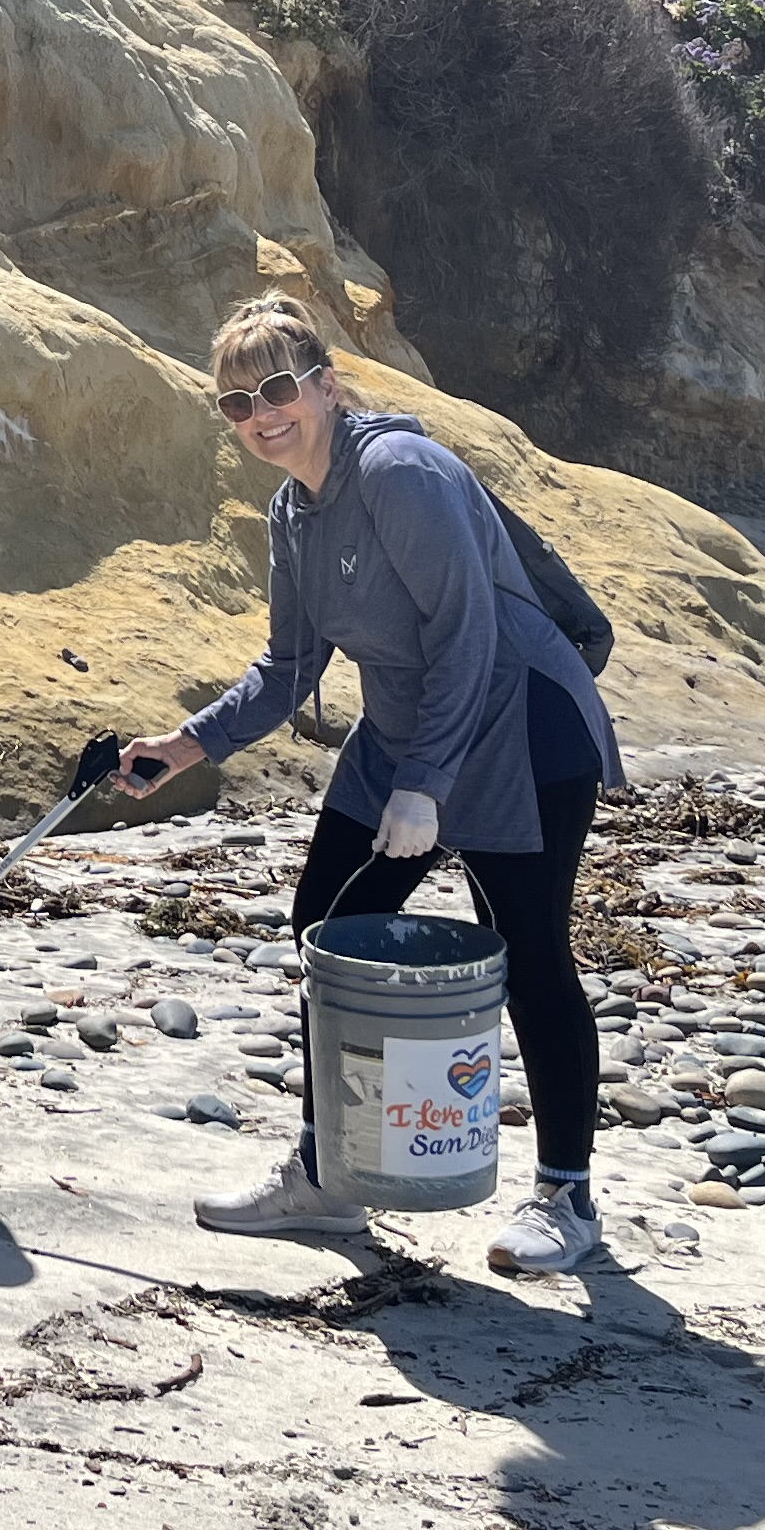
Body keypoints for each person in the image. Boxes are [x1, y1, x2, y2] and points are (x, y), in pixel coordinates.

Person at [121, 294, 621, 1276]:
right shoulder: (293, 513)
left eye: (275, 387)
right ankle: (331, 1176)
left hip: (520, 724)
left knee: (530, 955)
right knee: (326, 926)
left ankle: (566, 1199)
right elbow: (288, 666)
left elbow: (471, 635)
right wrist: (185, 745)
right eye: (235, 402)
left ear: (326, 386)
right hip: (410, 728)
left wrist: (425, 788)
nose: (260, 414)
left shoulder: (399, 472)